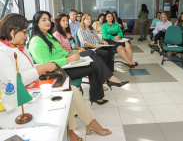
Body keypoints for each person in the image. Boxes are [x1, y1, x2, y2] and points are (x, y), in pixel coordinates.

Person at [0, 13, 112, 141]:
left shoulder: (20, 47)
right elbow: (14, 81)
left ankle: (85, 126)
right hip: (18, 95)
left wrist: (68, 56)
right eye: (24, 32)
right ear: (12, 31)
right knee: (71, 90)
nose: (26, 36)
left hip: (34, 83)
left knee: (72, 90)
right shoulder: (3, 52)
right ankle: (76, 131)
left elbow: (33, 66)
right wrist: (45, 67)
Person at [29, 11, 129, 104]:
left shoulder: (49, 36)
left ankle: (98, 95)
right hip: (57, 72)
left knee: (94, 63)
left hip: (66, 63)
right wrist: (68, 59)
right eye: (44, 20)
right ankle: (110, 79)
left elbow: (60, 51)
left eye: (48, 19)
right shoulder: (36, 41)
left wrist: (69, 54)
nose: (48, 22)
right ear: (36, 22)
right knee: (91, 55)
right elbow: (46, 64)